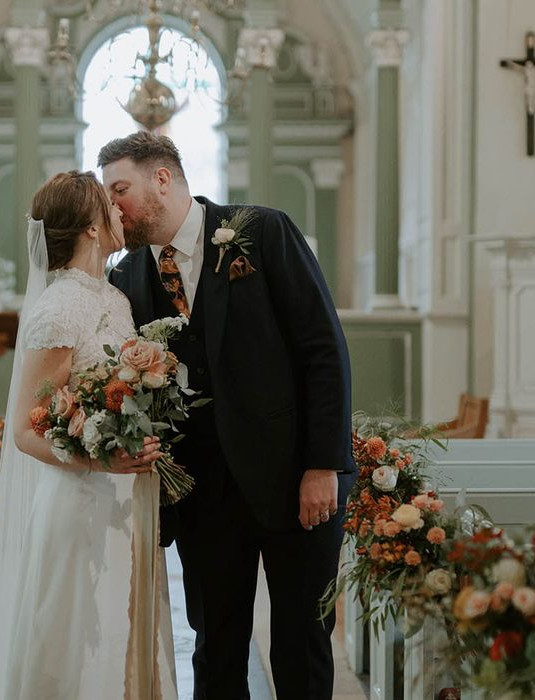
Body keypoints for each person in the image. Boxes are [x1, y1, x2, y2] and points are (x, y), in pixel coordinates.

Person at [100, 131, 357, 700]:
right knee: (215, 647)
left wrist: (323, 466)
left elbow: (323, 350)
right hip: (203, 497)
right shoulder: (126, 279)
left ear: (161, 178)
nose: (113, 207)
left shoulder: (261, 233)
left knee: (302, 643)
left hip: (295, 481)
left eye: (121, 190)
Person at [0, 171, 178, 700]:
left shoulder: (116, 300)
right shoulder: (58, 309)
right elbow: (22, 432)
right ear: (89, 224)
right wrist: (99, 459)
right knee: (81, 649)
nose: (121, 212)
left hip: (128, 498)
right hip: (80, 502)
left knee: (127, 635)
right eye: (111, 203)